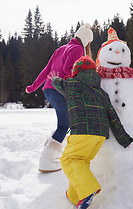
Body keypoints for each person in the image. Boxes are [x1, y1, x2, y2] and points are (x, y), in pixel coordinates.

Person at [51, 55, 133, 209]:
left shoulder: (72, 84)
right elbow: (113, 117)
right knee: (81, 162)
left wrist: (55, 78)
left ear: (76, 72)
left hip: (82, 131)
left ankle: (88, 190)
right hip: (100, 135)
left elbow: (57, 83)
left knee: (69, 160)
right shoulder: (102, 93)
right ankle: (74, 196)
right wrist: (124, 139)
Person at [25, 23, 93, 172]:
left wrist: (33, 87)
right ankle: (47, 161)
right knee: (64, 126)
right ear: (86, 40)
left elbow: (46, 70)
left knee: (64, 124)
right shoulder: (78, 49)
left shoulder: (61, 49)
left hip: (49, 91)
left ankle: (50, 152)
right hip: (60, 90)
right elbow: (68, 69)